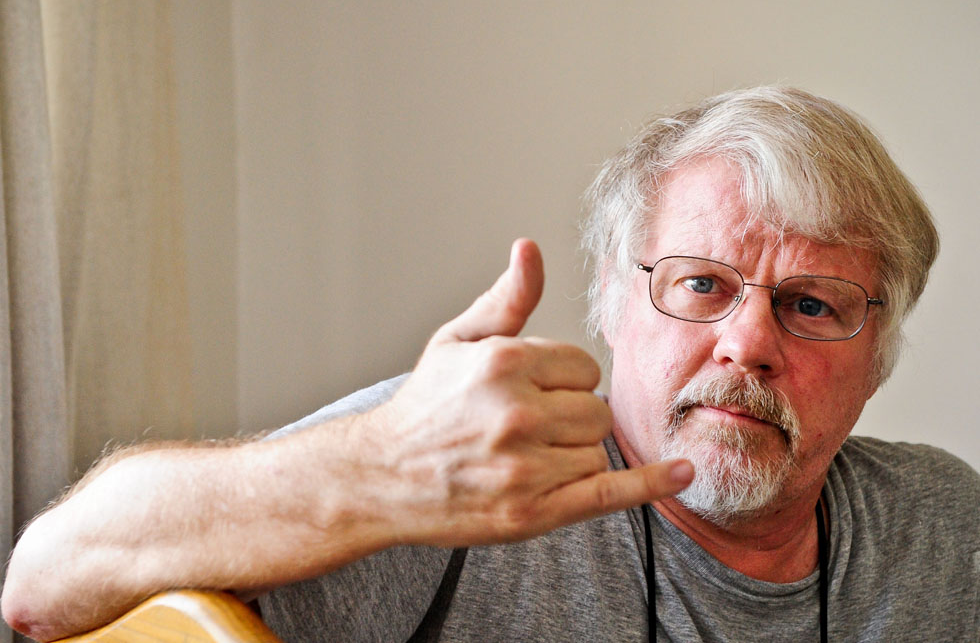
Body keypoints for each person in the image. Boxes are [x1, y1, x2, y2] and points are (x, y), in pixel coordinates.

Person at [3, 87, 977, 642]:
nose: (749, 343)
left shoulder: (941, 529)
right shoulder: (455, 470)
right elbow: (44, 586)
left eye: (810, 304)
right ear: (608, 298)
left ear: (875, 359)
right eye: (700, 284)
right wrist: (378, 466)